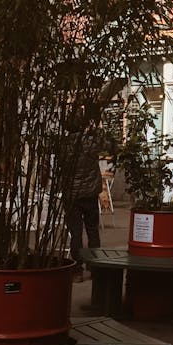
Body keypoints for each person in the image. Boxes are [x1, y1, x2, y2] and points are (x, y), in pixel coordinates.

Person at [64, 110, 104, 282]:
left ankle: (77, 270)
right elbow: (107, 145)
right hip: (90, 192)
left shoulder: (63, 145)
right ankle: (94, 266)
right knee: (93, 230)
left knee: (76, 232)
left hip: (72, 194)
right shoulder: (91, 142)